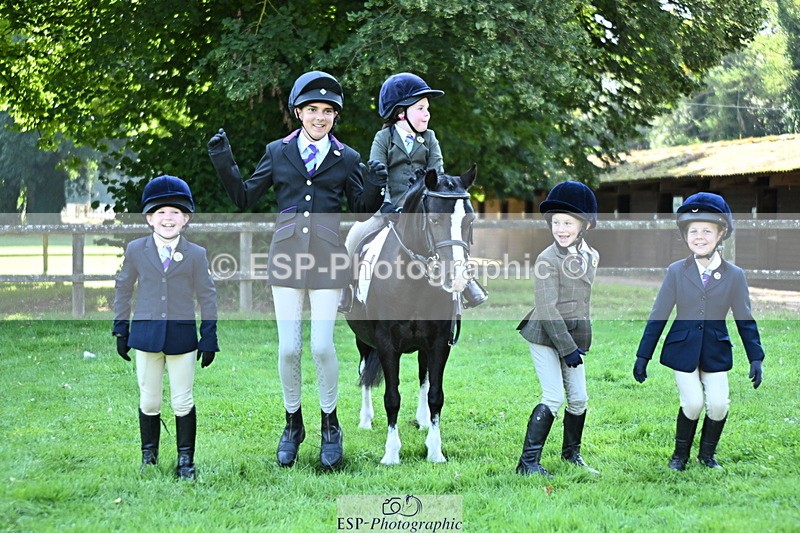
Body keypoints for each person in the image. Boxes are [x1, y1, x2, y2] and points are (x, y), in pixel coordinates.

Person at [207, 71, 387, 470]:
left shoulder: (349, 158)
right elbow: (244, 196)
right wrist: (223, 160)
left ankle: (330, 424)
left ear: (334, 116)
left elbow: (362, 208)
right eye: (311, 110)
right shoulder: (277, 151)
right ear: (298, 112)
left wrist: (374, 185)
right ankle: (293, 424)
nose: (319, 117)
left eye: (327, 111)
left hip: (327, 259)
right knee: (289, 347)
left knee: (322, 346)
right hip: (286, 257)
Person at [633, 192, 765, 471]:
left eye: (707, 230)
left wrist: (756, 357)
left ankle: (707, 456)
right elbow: (659, 315)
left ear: (720, 234)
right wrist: (643, 355)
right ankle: (679, 456)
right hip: (682, 350)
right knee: (693, 403)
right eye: (693, 231)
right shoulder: (676, 272)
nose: (700, 236)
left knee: (718, 405)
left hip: (715, 351)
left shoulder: (734, 275)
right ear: (685, 235)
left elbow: (745, 318)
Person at [340, 72, 487, 312]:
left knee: (451, 239)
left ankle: (466, 281)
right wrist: (385, 202)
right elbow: (378, 173)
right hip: (388, 207)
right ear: (401, 112)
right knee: (356, 234)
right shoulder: (383, 138)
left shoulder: (429, 138)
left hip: (423, 210)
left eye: (427, 108)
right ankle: (346, 289)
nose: (427, 113)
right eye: (420, 108)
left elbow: (437, 174)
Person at [112, 175, 219, 480]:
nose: (167, 218)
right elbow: (123, 288)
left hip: (182, 338)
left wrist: (208, 336)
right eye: (160, 212)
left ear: (185, 219)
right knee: (149, 399)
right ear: (149, 218)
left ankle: (186, 460)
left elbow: (207, 296)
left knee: (183, 398)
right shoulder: (135, 249)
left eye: (175, 212)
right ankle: (149, 457)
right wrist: (121, 329)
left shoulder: (197, 254)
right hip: (146, 336)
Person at [515, 181, 600, 476]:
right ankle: (527, 464)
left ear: (584, 225)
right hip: (544, 334)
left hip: (572, 338)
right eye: (556, 222)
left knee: (579, 399)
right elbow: (549, 309)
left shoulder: (591, 256)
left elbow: (582, 301)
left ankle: (571, 456)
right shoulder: (546, 260)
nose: (561, 229)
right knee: (554, 396)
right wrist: (568, 350)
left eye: (568, 222)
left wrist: (578, 342)